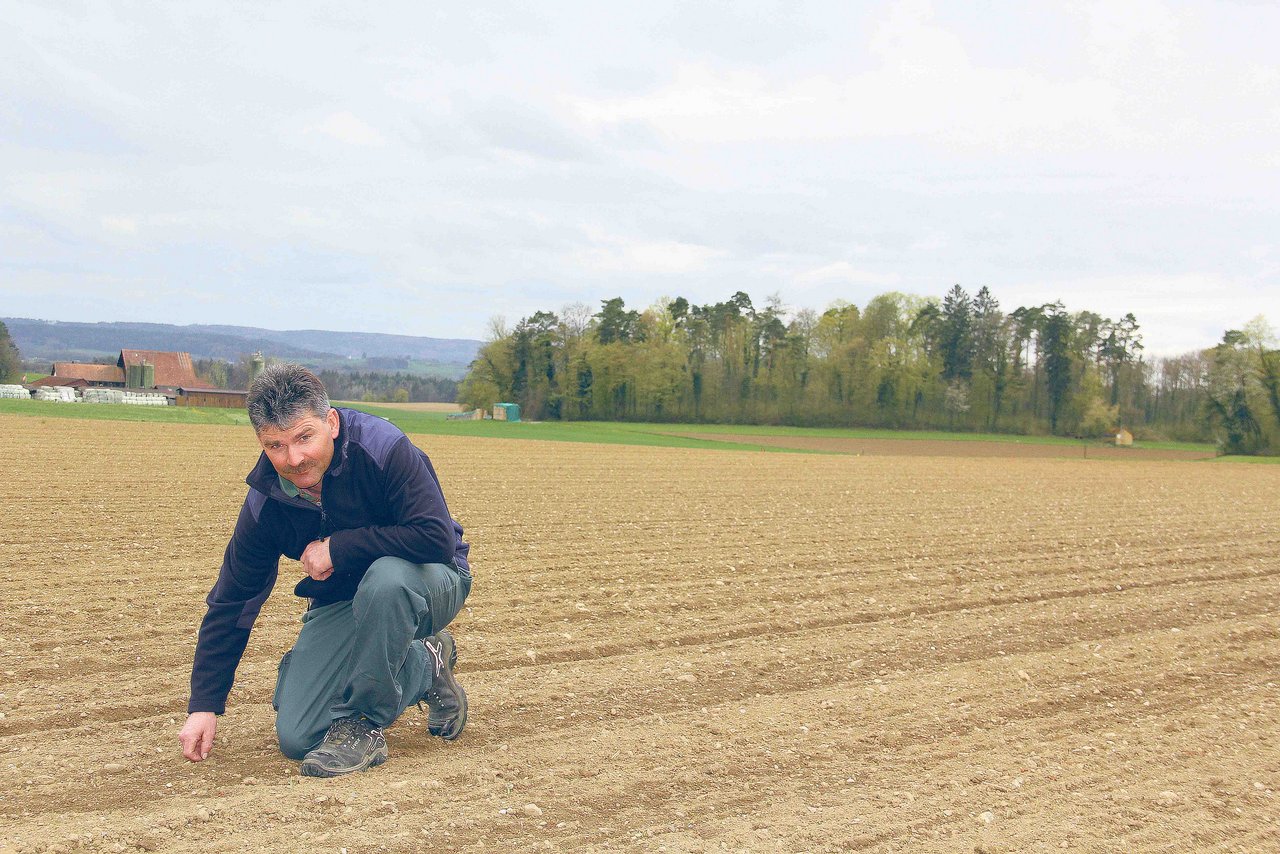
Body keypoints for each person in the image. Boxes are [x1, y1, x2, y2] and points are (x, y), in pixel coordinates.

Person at [177, 364, 472, 777]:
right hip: (346, 599)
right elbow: (234, 600)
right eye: (275, 445)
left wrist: (341, 547)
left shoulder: (384, 448)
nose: (293, 459)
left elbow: (434, 538)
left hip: (430, 579)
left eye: (304, 437)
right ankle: (426, 660)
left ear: (330, 422)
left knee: (386, 579)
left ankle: (362, 725)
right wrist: (205, 704)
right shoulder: (266, 502)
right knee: (298, 736)